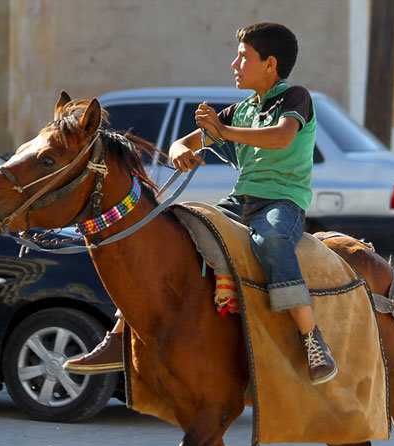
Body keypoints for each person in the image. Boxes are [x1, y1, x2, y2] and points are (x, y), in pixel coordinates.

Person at [65, 22, 337, 385]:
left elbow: (282, 137)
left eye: (243, 57)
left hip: (282, 201)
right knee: (176, 231)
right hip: (240, 201)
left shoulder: (295, 98)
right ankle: (119, 336)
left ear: (270, 64)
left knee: (271, 240)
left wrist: (221, 133)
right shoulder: (240, 110)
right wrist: (180, 152)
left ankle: (311, 338)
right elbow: (185, 142)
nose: (234, 64)